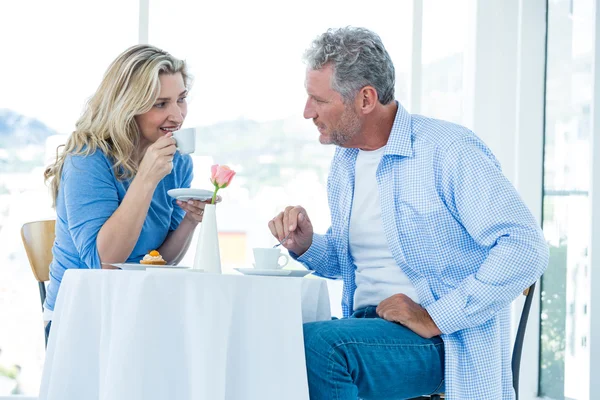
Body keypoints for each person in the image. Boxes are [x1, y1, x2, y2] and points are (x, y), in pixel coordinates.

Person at [269, 27, 548, 399]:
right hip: (368, 330)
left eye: (318, 100)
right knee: (273, 340)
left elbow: (526, 247)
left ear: (365, 98)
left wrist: (435, 317)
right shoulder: (346, 162)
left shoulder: (448, 150)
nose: (307, 112)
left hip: (445, 342)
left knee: (321, 348)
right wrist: (305, 245)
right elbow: (349, 260)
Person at [43, 45, 210, 333]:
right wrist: (146, 179)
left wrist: (190, 222)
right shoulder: (88, 158)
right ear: (128, 106)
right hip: (83, 318)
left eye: (181, 100)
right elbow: (105, 264)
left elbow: (157, 261)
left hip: (138, 312)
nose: (177, 116)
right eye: (160, 104)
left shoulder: (178, 163)